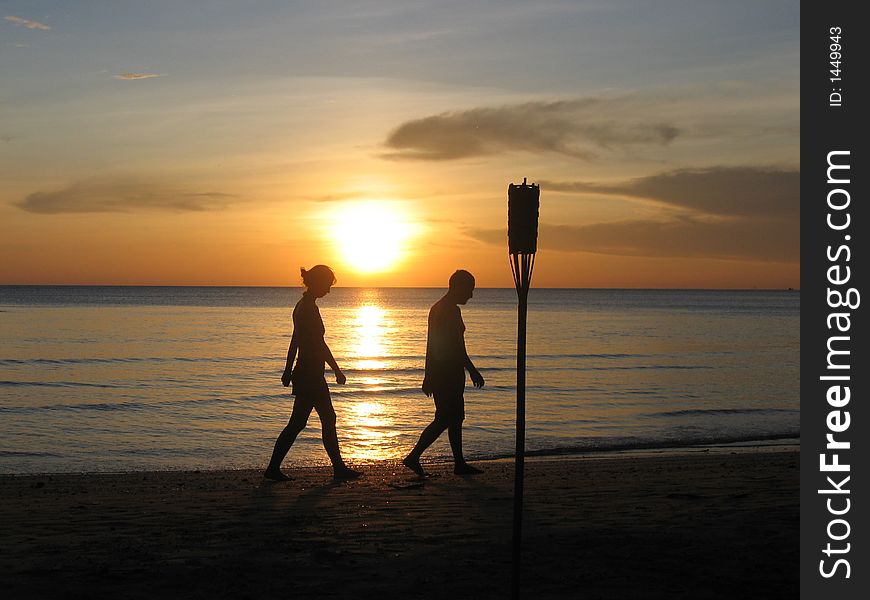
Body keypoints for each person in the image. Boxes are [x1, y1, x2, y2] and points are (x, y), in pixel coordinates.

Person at [264, 265, 361, 481]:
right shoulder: (308, 308)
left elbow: (295, 340)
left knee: (303, 422)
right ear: (317, 282)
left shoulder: (302, 305)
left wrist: (288, 370)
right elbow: (318, 344)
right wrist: (337, 370)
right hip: (310, 374)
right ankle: (338, 469)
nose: (328, 290)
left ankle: (336, 468)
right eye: (327, 284)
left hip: (306, 372)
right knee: (323, 418)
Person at [403, 269, 485, 476]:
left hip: (443, 372)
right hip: (448, 373)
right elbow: (456, 346)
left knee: (455, 417)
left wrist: (428, 374)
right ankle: (414, 456)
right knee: (445, 419)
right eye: (469, 290)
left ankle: (459, 463)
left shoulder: (437, 308)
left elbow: (431, 345)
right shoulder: (449, 310)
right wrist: (473, 370)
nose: (471, 295)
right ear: (458, 287)